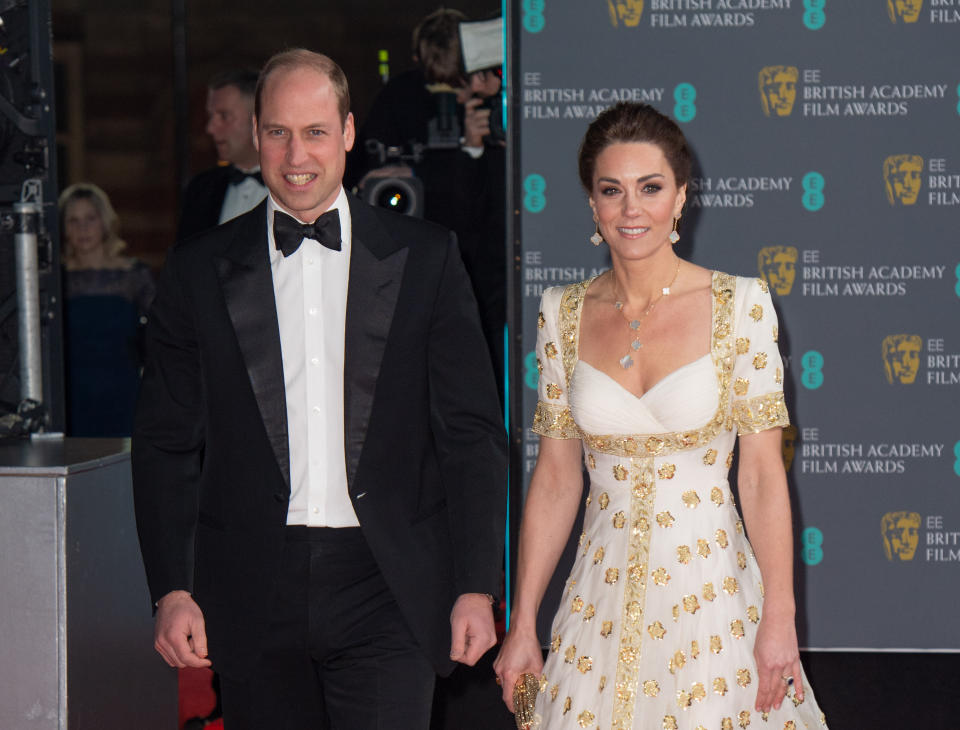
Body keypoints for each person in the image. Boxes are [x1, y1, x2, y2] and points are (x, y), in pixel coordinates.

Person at [133, 49, 506, 729]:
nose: (295, 153)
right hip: (252, 584)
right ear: (254, 132)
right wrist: (172, 588)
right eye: (277, 131)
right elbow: (164, 442)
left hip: (389, 582)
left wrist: (478, 583)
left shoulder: (425, 257)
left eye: (314, 131)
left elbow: (470, 433)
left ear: (349, 132)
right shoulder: (197, 270)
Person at [493, 103, 828, 729]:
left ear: (680, 198)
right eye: (611, 191)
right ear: (592, 205)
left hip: (713, 602)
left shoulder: (742, 306)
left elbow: (759, 476)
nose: (631, 209)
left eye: (650, 188)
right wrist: (523, 622)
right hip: (599, 599)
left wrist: (780, 618)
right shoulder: (560, 313)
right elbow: (558, 478)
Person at [59, 182, 155, 436]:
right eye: (73, 220)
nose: (83, 228)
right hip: (69, 400)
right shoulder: (54, 280)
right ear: (63, 228)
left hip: (124, 395)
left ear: (105, 222)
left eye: (90, 218)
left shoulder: (135, 276)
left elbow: (164, 340)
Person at [176, 68, 267, 240]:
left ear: (258, 120)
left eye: (224, 116)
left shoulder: (293, 185)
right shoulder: (201, 189)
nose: (210, 128)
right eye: (210, 116)